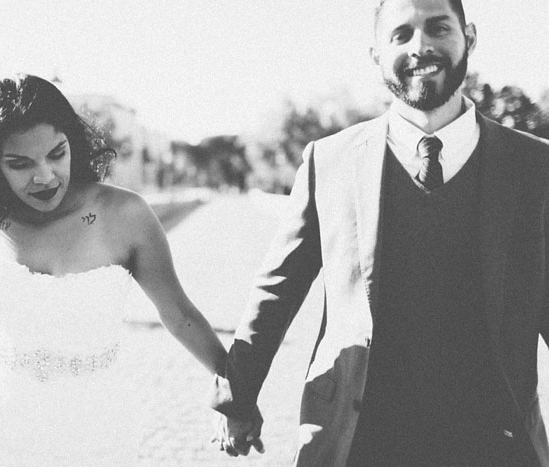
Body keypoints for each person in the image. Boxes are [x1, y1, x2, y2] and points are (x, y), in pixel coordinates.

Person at [210, 0, 549, 466]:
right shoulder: (328, 162)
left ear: (469, 37)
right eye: (400, 35)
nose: (420, 46)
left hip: (495, 441)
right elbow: (277, 290)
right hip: (359, 440)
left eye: (437, 28)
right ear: (375, 55)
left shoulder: (535, 166)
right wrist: (237, 398)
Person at [0, 74, 227, 467]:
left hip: (94, 429)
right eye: (20, 164)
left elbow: (180, 315)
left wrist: (234, 388)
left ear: (73, 143)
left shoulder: (126, 214)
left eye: (57, 153)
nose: (45, 176)